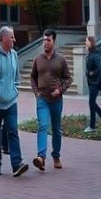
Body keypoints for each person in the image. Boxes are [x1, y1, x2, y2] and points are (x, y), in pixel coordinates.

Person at [0, 26, 29, 178]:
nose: (14, 40)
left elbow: (17, 77)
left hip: (11, 102)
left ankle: (17, 164)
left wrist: (15, 90)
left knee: (13, 131)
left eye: (14, 37)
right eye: (12, 37)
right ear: (3, 39)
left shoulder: (14, 54)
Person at [30, 29, 72, 171]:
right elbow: (32, 77)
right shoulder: (38, 59)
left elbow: (68, 78)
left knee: (56, 129)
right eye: (44, 40)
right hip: (42, 99)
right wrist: (36, 92)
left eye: (48, 40)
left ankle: (56, 156)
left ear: (54, 41)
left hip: (56, 100)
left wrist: (59, 90)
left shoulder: (61, 59)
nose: (45, 43)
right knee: (42, 125)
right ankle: (41, 157)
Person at [84, 36, 101, 133]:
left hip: (95, 82)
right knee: (92, 103)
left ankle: (92, 126)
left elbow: (99, 68)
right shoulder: (91, 53)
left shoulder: (95, 54)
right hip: (91, 82)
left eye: (86, 41)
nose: (85, 42)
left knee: (91, 103)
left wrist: (91, 73)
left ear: (90, 42)